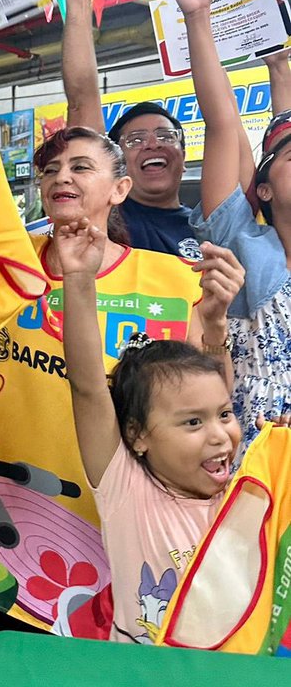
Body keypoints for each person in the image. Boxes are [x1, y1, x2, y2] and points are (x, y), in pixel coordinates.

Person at [0, 125, 243, 636]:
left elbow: (212, 400)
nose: (61, 176)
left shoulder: (176, 282)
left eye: (80, 167)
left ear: (120, 189)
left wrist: (218, 324)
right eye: (50, 170)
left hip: (105, 557)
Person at [56, 214, 240, 643]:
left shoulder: (245, 494)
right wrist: (80, 279)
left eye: (225, 416)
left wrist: (214, 327)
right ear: (138, 435)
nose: (218, 435)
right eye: (192, 422)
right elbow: (86, 387)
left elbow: (215, 389)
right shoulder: (125, 490)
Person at [60, 0, 256, 260]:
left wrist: (197, 15)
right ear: (115, 167)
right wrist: (79, 0)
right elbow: (81, 100)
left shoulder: (215, 225)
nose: (153, 144)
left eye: (166, 136)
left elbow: (222, 121)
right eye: (135, 140)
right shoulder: (105, 216)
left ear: (182, 153)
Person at [179, 0, 291, 453]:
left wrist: (281, 70)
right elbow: (224, 123)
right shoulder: (243, 247)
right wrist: (198, 16)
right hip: (256, 470)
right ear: (263, 190)